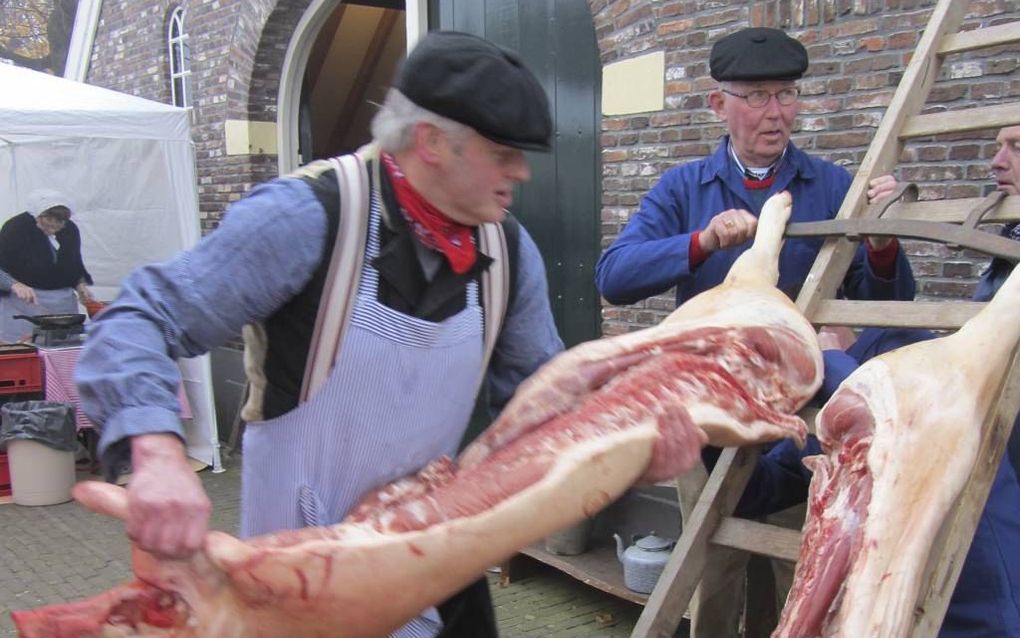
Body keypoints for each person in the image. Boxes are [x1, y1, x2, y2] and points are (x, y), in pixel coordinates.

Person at [75, 31, 564, 638]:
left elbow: (549, 400)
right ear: (432, 141)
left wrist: (634, 448)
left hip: (432, 567)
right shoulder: (306, 217)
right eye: (503, 152)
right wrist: (155, 455)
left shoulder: (510, 249)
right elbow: (139, 317)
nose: (522, 172)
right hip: (292, 587)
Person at [593, 27, 917, 637]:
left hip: (803, 409)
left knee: (801, 556)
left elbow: (894, 304)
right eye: (757, 96)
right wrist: (701, 241)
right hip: (713, 409)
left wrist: (882, 244)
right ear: (720, 104)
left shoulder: (832, 184)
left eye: (787, 94)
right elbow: (613, 276)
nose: (776, 113)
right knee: (715, 558)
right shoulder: (684, 188)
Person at [740, 323, 1020, 636]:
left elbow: (898, 413)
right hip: (910, 605)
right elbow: (757, 491)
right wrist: (713, 434)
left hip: (983, 593)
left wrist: (830, 361)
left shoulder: (903, 345)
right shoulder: (828, 416)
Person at [0, 189, 95, 342]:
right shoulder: (15, 228)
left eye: (57, 226)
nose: (51, 230)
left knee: (62, 348)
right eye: (46, 224)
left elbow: (74, 265)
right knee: (22, 349)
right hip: (22, 303)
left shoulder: (70, 229)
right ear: (36, 215)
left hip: (62, 306)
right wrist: (15, 285)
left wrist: (80, 285)